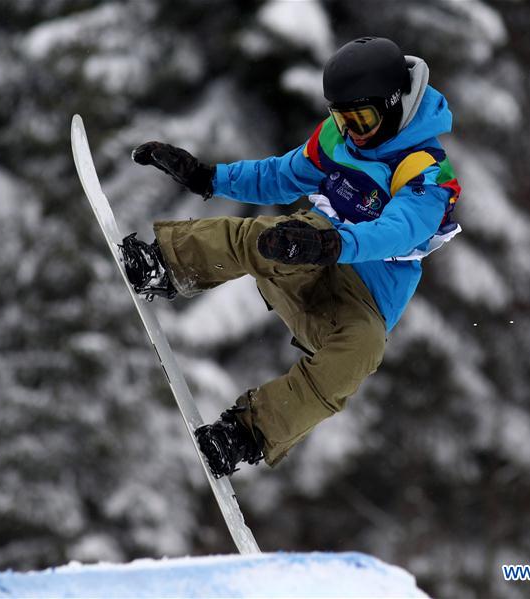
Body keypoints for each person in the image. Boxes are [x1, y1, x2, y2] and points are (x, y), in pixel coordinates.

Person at [122, 37, 462, 478]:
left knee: (363, 349)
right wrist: (208, 177)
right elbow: (280, 177)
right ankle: (166, 265)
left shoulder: (428, 171)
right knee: (275, 236)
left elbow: (397, 232)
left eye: (363, 118)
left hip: (358, 301)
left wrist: (335, 245)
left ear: (397, 105)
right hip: (307, 257)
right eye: (342, 118)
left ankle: (246, 434)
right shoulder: (338, 140)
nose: (353, 131)